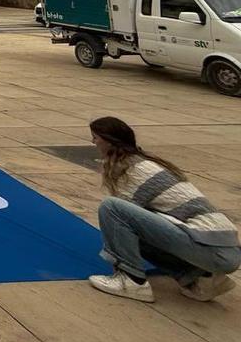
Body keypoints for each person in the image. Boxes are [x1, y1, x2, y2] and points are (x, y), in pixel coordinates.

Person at [87, 116, 240, 303]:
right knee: (135, 232)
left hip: (212, 247)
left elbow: (121, 220)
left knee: (111, 208)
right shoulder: (143, 162)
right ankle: (202, 278)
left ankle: (131, 280)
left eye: (96, 137)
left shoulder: (133, 169)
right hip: (220, 246)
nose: (93, 142)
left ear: (110, 141)